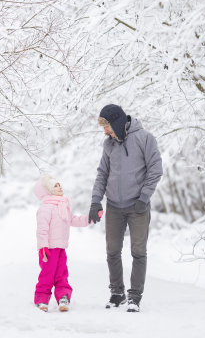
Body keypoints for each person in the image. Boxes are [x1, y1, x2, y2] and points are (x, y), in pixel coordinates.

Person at [88, 104, 163, 313]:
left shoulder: (145, 138)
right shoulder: (109, 145)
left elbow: (156, 169)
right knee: (112, 251)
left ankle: (135, 297)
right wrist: (96, 201)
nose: (105, 131)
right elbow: (102, 173)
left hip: (138, 205)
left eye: (107, 126)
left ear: (118, 123)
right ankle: (117, 292)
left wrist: (144, 196)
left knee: (138, 252)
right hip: (114, 206)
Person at [33, 174, 91, 312]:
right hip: (48, 250)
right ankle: (42, 299)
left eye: (59, 184)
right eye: (55, 186)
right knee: (47, 275)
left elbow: (74, 220)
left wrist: (90, 218)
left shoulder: (62, 206)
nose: (59, 187)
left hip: (60, 249)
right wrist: (43, 247)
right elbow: (42, 229)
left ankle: (63, 296)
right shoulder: (45, 208)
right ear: (47, 191)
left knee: (61, 273)